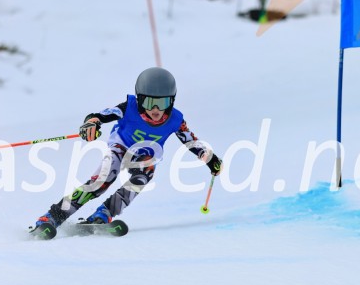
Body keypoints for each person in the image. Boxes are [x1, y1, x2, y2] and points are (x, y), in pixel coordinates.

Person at [33, 67, 223, 230]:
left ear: (171, 101)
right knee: (102, 180)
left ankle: (104, 214)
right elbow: (102, 115)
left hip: (146, 155)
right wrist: (91, 123)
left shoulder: (175, 119)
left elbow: (191, 141)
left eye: (163, 102)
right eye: (149, 102)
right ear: (140, 100)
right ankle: (53, 216)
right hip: (120, 146)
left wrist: (211, 160)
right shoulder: (129, 107)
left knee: (143, 177)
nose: (156, 110)